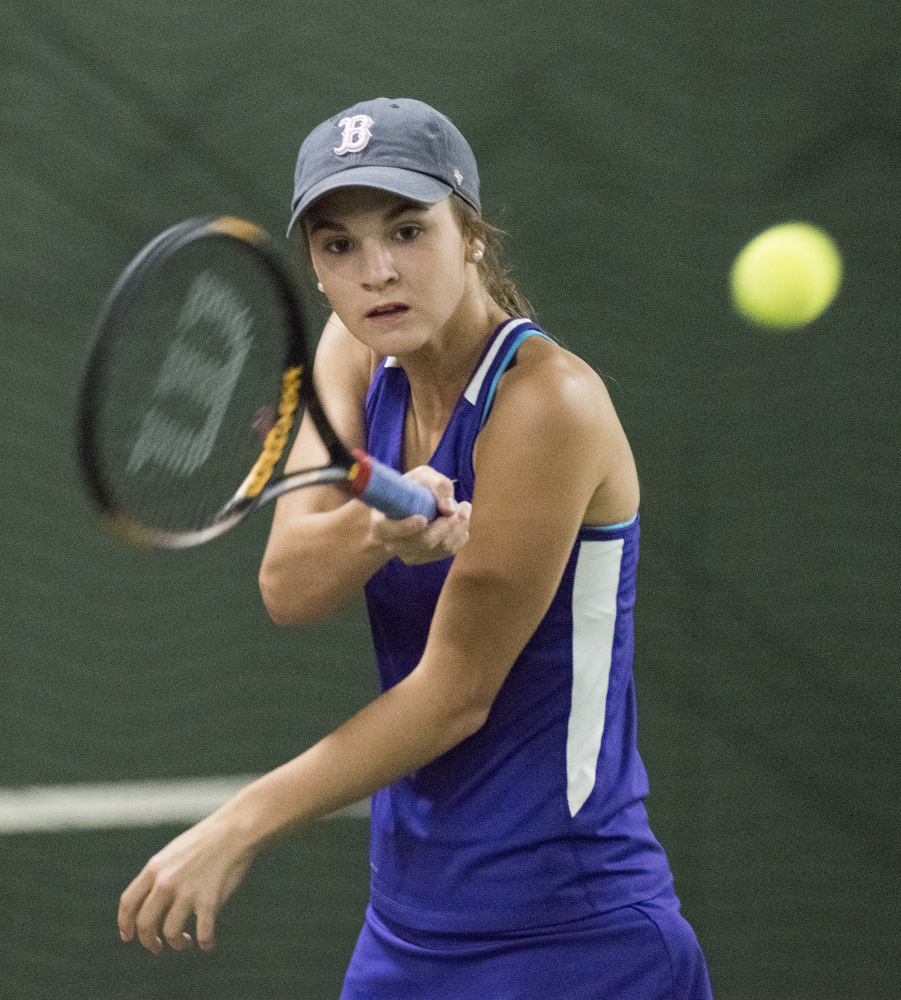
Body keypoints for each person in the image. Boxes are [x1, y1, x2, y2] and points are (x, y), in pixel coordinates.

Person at [118, 97, 713, 999]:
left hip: (577, 934)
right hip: (407, 931)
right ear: (316, 270)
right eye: (338, 245)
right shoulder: (350, 355)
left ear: (470, 231)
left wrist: (238, 823)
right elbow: (290, 586)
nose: (376, 271)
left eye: (407, 228)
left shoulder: (550, 405)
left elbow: (453, 697)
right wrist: (375, 531)